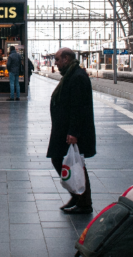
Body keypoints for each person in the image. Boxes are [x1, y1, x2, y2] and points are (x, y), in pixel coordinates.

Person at [48, 47, 96, 215]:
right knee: (66, 161)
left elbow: (78, 107)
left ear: (66, 58)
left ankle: (83, 202)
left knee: (75, 164)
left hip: (72, 131)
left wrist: (74, 132)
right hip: (65, 129)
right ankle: (76, 196)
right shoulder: (72, 75)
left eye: (57, 59)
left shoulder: (76, 77)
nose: (56, 63)